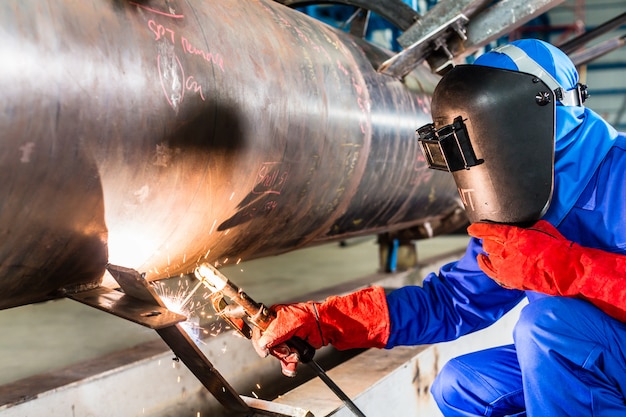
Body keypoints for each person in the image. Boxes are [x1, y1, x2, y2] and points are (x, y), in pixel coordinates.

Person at [252, 38, 626, 416]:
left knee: (546, 328)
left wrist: (572, 269)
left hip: (586, 344)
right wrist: (327, 321)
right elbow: (452, 302)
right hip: (592, 351)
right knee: (461, 384)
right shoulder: (516, 199)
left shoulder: (621, 174)